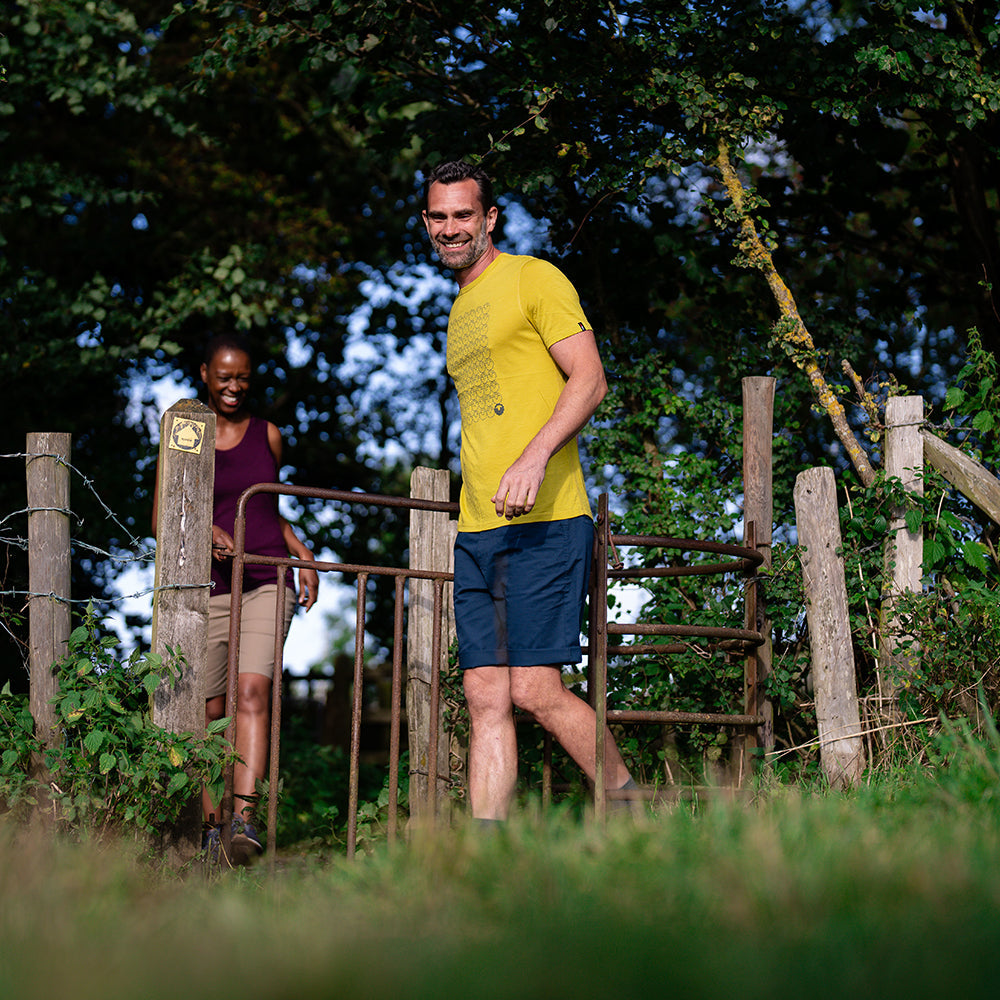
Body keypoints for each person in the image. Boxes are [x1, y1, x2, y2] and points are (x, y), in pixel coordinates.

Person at [422, 160, 636, 820]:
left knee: (535, 689)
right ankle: (487, 864)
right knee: (485, 693)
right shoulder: (459, 310)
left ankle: (632, 806)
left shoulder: (533, 278)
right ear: (426, 223)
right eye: (439, 216)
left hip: (546, 522)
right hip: (479, 529)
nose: (451, 228)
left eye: (464, 215)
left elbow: (590, 380)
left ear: (489, 219)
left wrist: (537, 455)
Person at [153, 333, 319, 861]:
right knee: (210, 709)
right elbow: (163, 517)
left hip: (268, 579)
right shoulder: (183, 430)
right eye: (223, 376)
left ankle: (244, 823)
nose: (233, 386)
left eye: (242, 377)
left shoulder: (268, 434)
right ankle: (209, 824)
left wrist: (300, 550)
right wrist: (205, 534)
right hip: (207, 589)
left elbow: (267, 507)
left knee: (252, 693)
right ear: (204, 373)